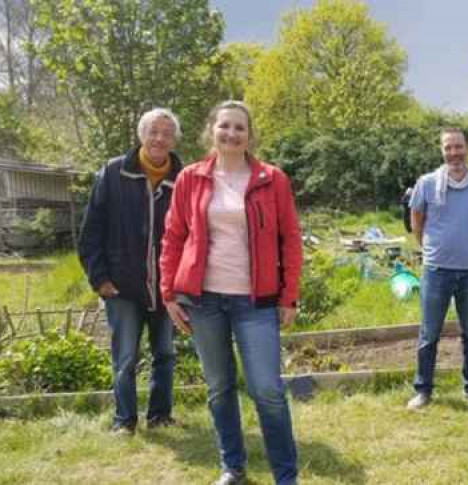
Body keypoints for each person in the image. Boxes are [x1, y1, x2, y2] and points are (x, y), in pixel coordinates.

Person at [160, 101, 301, 485]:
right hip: (204, 300)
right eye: (225, 126)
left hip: (255, 301)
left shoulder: (273, 179)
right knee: (219, 388)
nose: (231, 134)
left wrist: (289, 296)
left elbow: (290, 238)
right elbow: (173, 237)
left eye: (240, 128)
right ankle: (232, 467)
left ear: (249, 135)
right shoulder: (190, 178)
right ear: (211, 130)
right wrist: (169, 292)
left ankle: (286, 476)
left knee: (267, 389)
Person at [78, 108, 183, 435]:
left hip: (167, 287)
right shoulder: (113, 172)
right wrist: (100, 279)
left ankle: (160, 416)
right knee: (125, 357)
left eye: (166, 133)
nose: (159, 139)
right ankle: (125, 420)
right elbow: (90, 231)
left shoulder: (184, 178)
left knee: (165, 353)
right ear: (141, 135)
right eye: (153, 131)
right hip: (121, 285)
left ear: (174, 139)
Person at [406, 127, 468, 409]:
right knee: (429, 332)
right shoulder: (427, 183)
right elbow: (416, 219)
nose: (454, 153)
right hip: (436, 271)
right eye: (448, 147)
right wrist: (430, 247)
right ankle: (423, 390)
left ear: (467, 148)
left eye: (458, 147)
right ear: (442, 150)